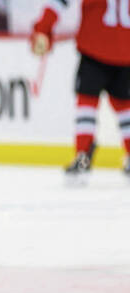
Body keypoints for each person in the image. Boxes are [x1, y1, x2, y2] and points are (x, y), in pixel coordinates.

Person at [31, 0, 130, 177]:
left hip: (95, 47)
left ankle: (83, 156)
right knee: (124, 107)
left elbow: (58, 2)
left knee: (87, 103)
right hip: (125, 50)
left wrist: (42, 30)